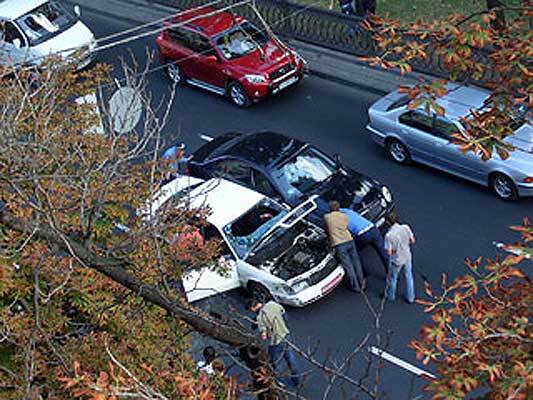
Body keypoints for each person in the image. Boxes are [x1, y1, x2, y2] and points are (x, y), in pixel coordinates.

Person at [247, 298, 301, 387]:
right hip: (285, 335)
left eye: (251, 310)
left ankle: (282, 381)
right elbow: (285, 315)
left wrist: (263, 333)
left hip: (276, 341)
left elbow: (263, 336)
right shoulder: (272, 304)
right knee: (291, 359)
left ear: (253, 308)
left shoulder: (260, 317)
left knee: (275, 361)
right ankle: (297, 380)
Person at [324, 200, 366, 292]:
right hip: (349, 240)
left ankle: (355, 286)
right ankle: (362, 282)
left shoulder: (327, 217)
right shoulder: (344, 216)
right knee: (356, 262)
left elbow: (326, 229)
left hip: (339, 243)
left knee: (348, 265)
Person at [340, 207, 389, 275]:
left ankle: (363, 273)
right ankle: (391, 272)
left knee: (355, 252)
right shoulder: (347, 211)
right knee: (383, 252)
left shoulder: (340, 220)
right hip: (372, 228)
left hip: (362, 235)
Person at [384, 212, 416, 303]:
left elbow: (389, 252)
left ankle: (391, 296)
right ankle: (411, 298)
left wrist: (396, 250)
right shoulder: (405, 227)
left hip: (397, 260)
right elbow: (412, 240)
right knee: (408, 275)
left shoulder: (389, 235)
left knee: (393, 278)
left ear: (387, 222)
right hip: (407, 256)